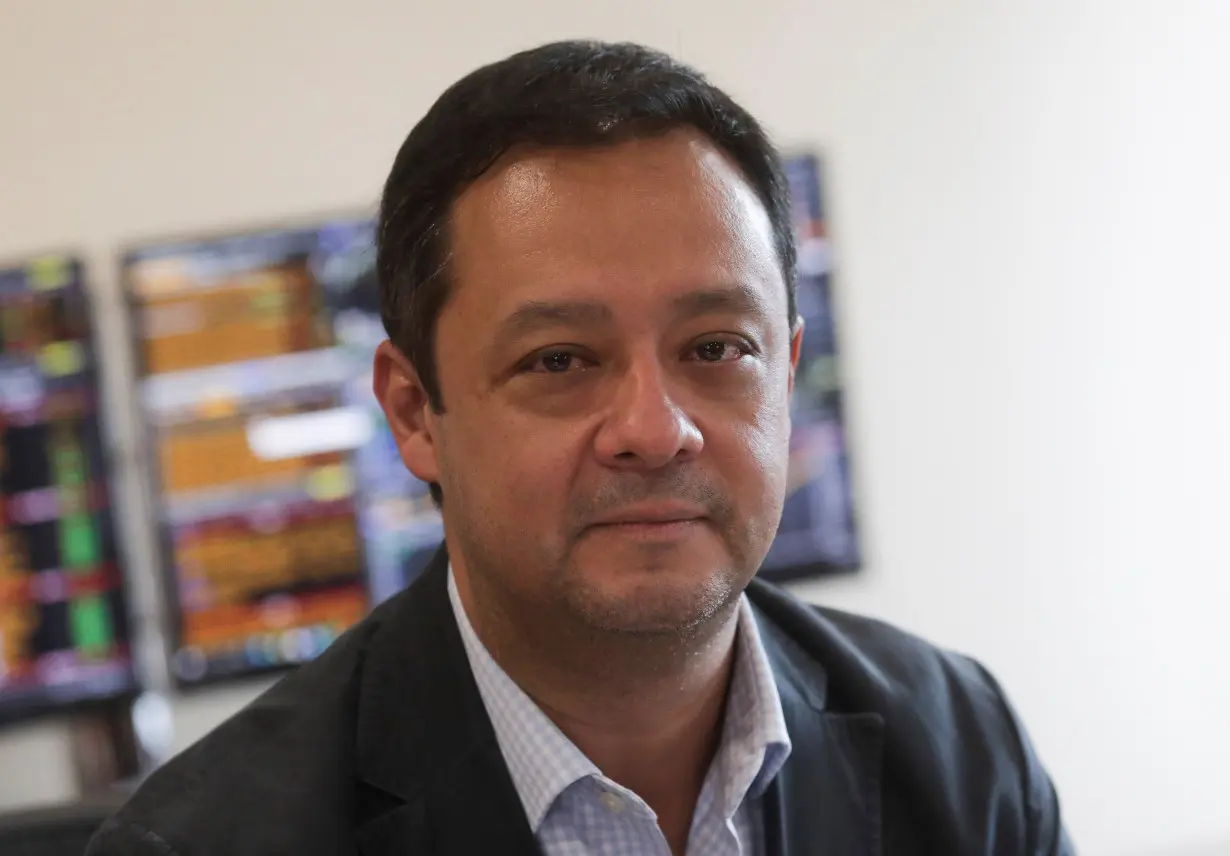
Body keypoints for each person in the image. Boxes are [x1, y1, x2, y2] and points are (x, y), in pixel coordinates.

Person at [88, 40, 1075, 856]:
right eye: (559, 359)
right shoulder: (205, 842)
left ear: (785, 372)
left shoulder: (962, 747)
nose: (655, 428)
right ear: (414, 412)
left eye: (716, 348)